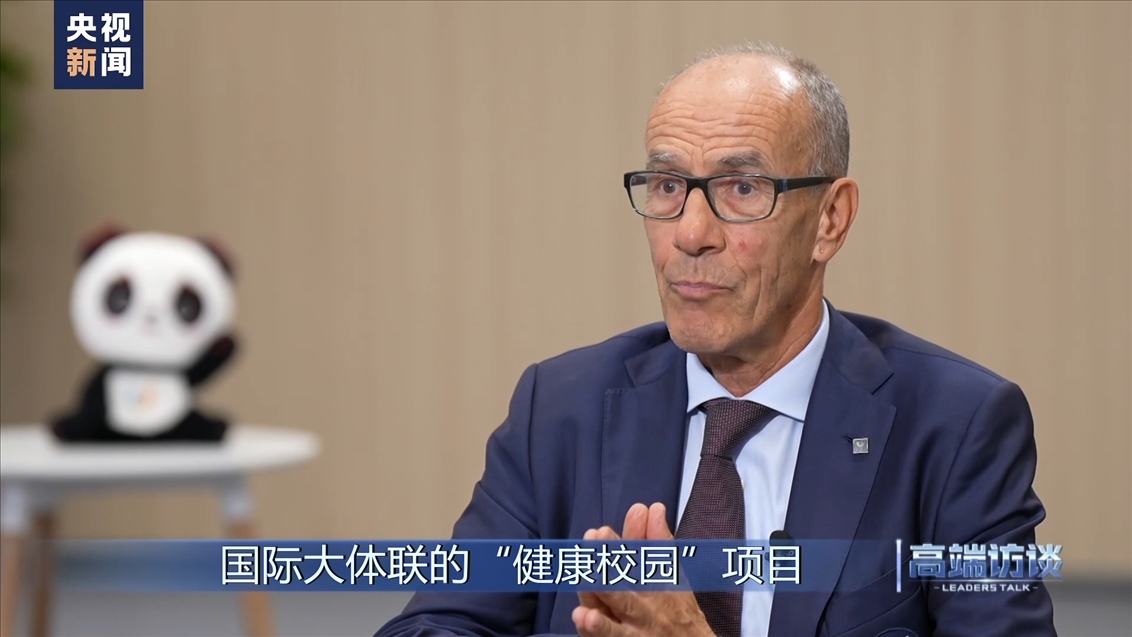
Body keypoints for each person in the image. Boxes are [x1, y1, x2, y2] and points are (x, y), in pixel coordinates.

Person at [373, 42, 1057, 637]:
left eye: (741, 188)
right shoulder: (559, 409)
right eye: (667, 185)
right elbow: (433, 623)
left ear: (830, 219)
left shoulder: (956, 426)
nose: (690, 233)